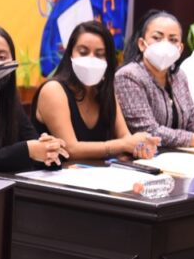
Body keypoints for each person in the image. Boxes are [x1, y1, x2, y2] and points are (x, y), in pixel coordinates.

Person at [31, 21, 159, 160]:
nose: (91, 59)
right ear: (70, 54)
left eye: (99, 54)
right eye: (83, 52)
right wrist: (123, 145)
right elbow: (70, 149)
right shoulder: (53, 90)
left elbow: (125, 138)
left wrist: (140, 146)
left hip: (99, 171)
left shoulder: (105, 90)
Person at [0, 23, 68, 171]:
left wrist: (49, 149)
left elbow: (33, 145)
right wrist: (28, 150)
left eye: (2, 57)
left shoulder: (10, 101)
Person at [115, 10, 194, 148]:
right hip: (144, 156)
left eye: (173, 40)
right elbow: (148, 131)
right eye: (157, 38)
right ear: (141, 44)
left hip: (178, 155)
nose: (165, 44)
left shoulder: (179, 76)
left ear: (180, 48)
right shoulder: (129, 76)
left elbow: (193, 119)